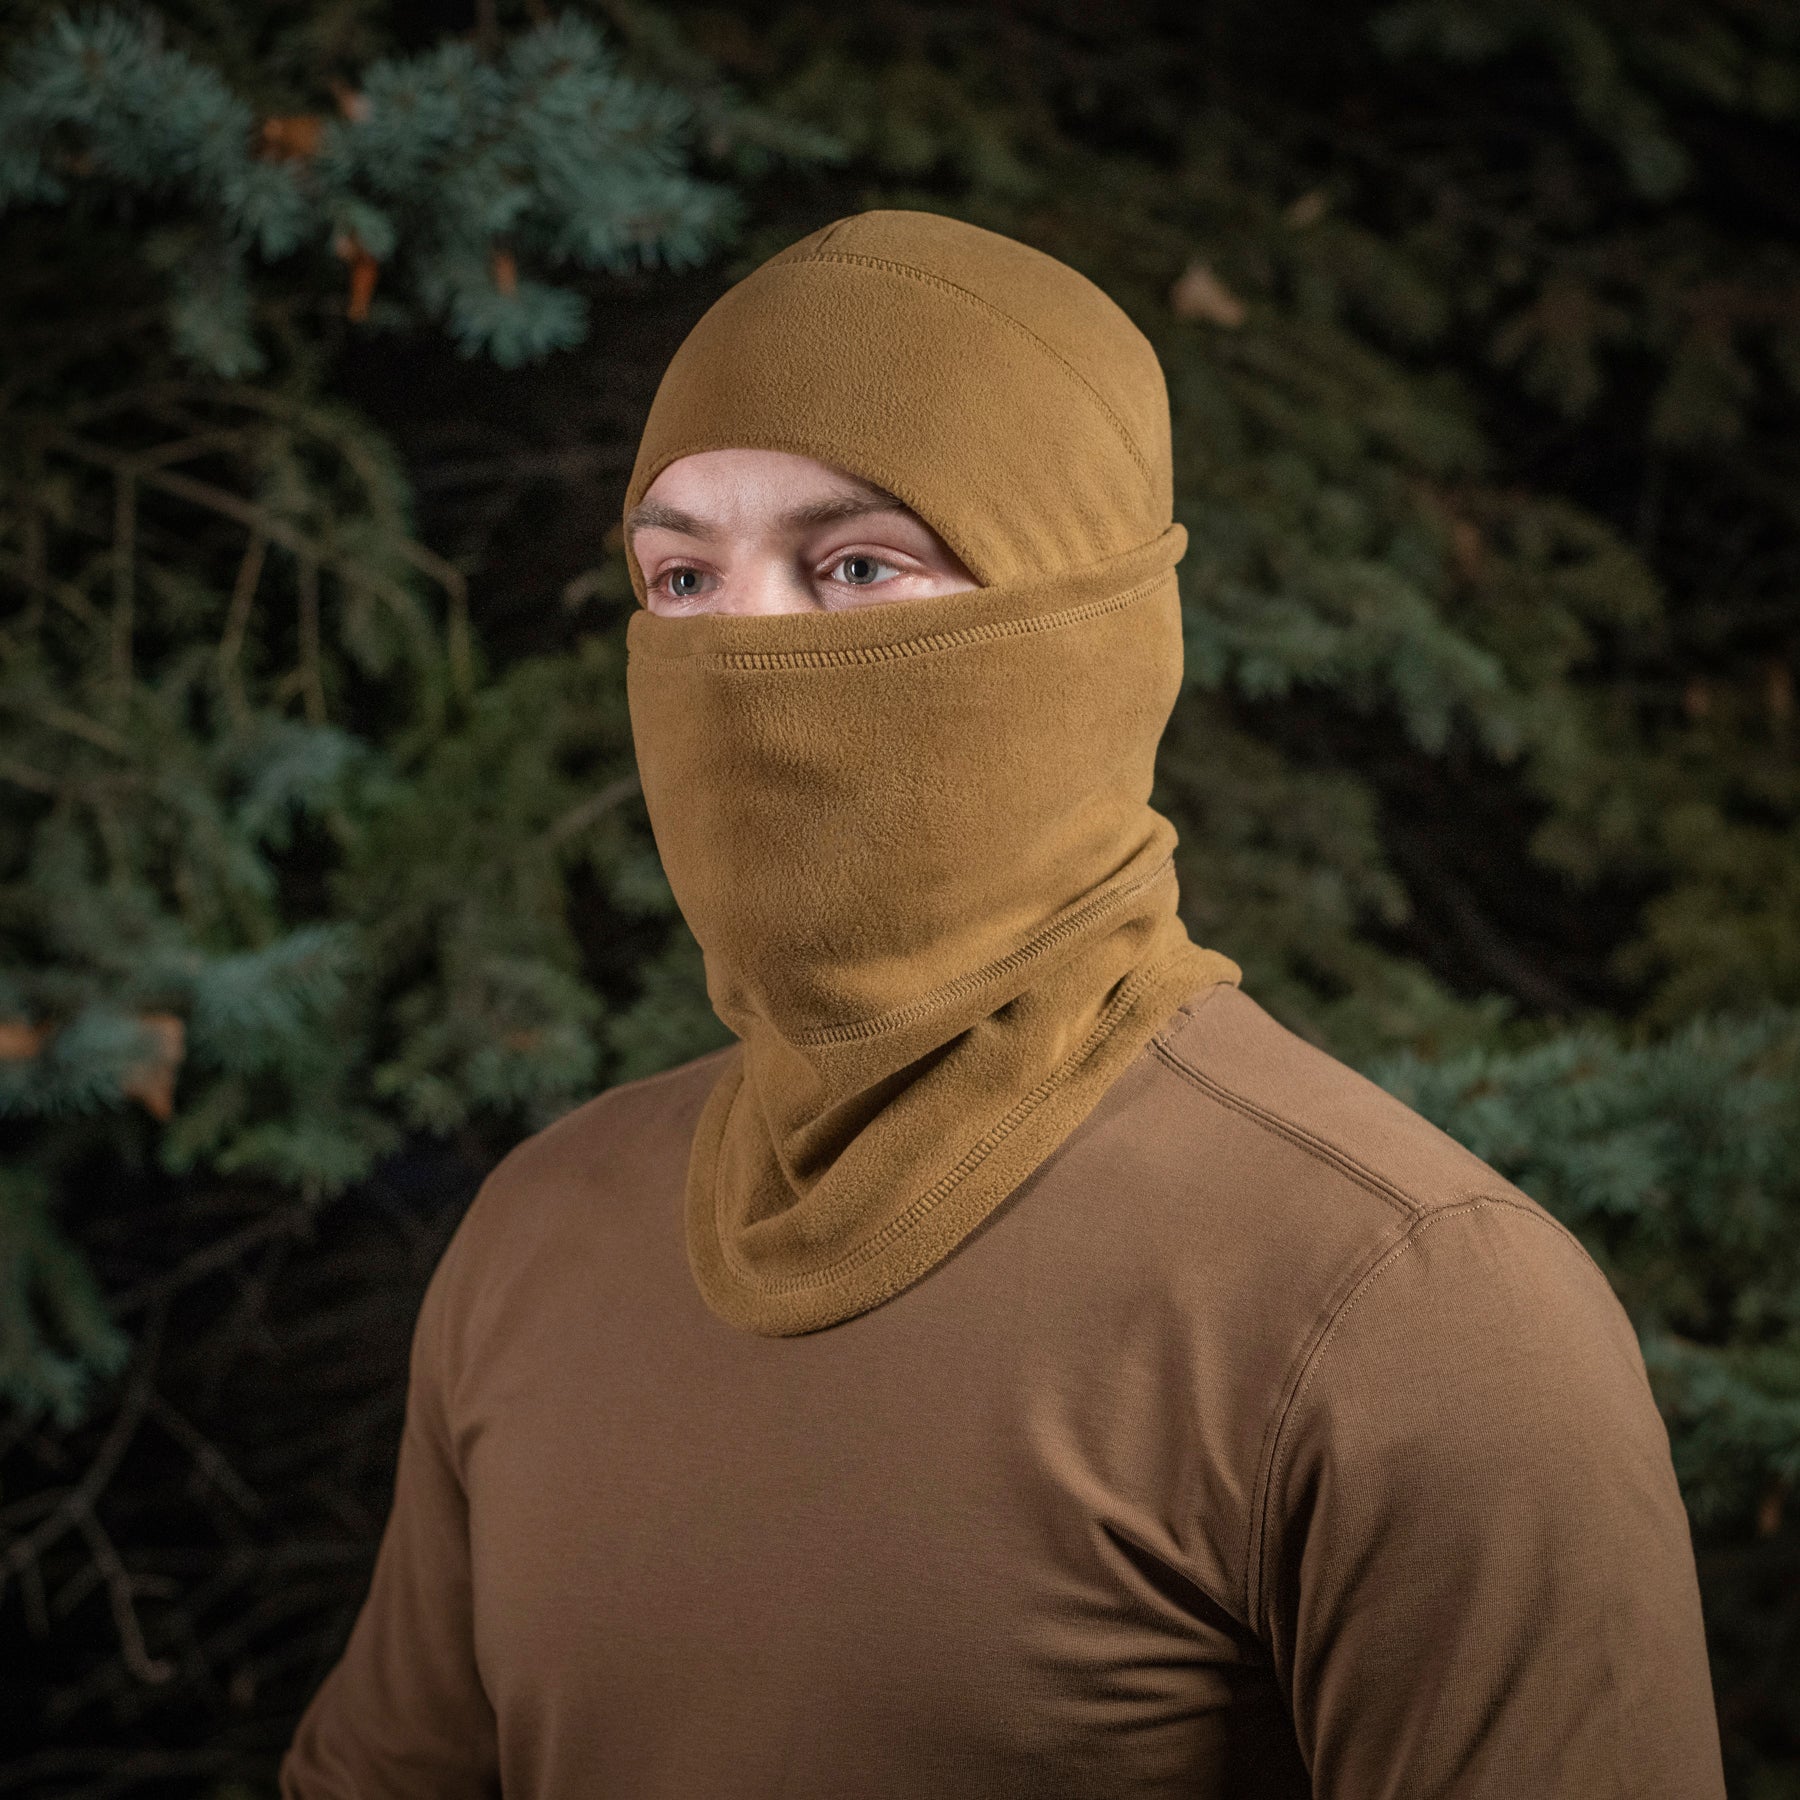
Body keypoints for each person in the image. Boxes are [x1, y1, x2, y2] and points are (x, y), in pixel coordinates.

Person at [278, 209, 1726, 1798]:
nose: (743, 654)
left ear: (1092, 635)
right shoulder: (539, 1236)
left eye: (857, 566)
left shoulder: (1414, 1305)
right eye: (681, 575)